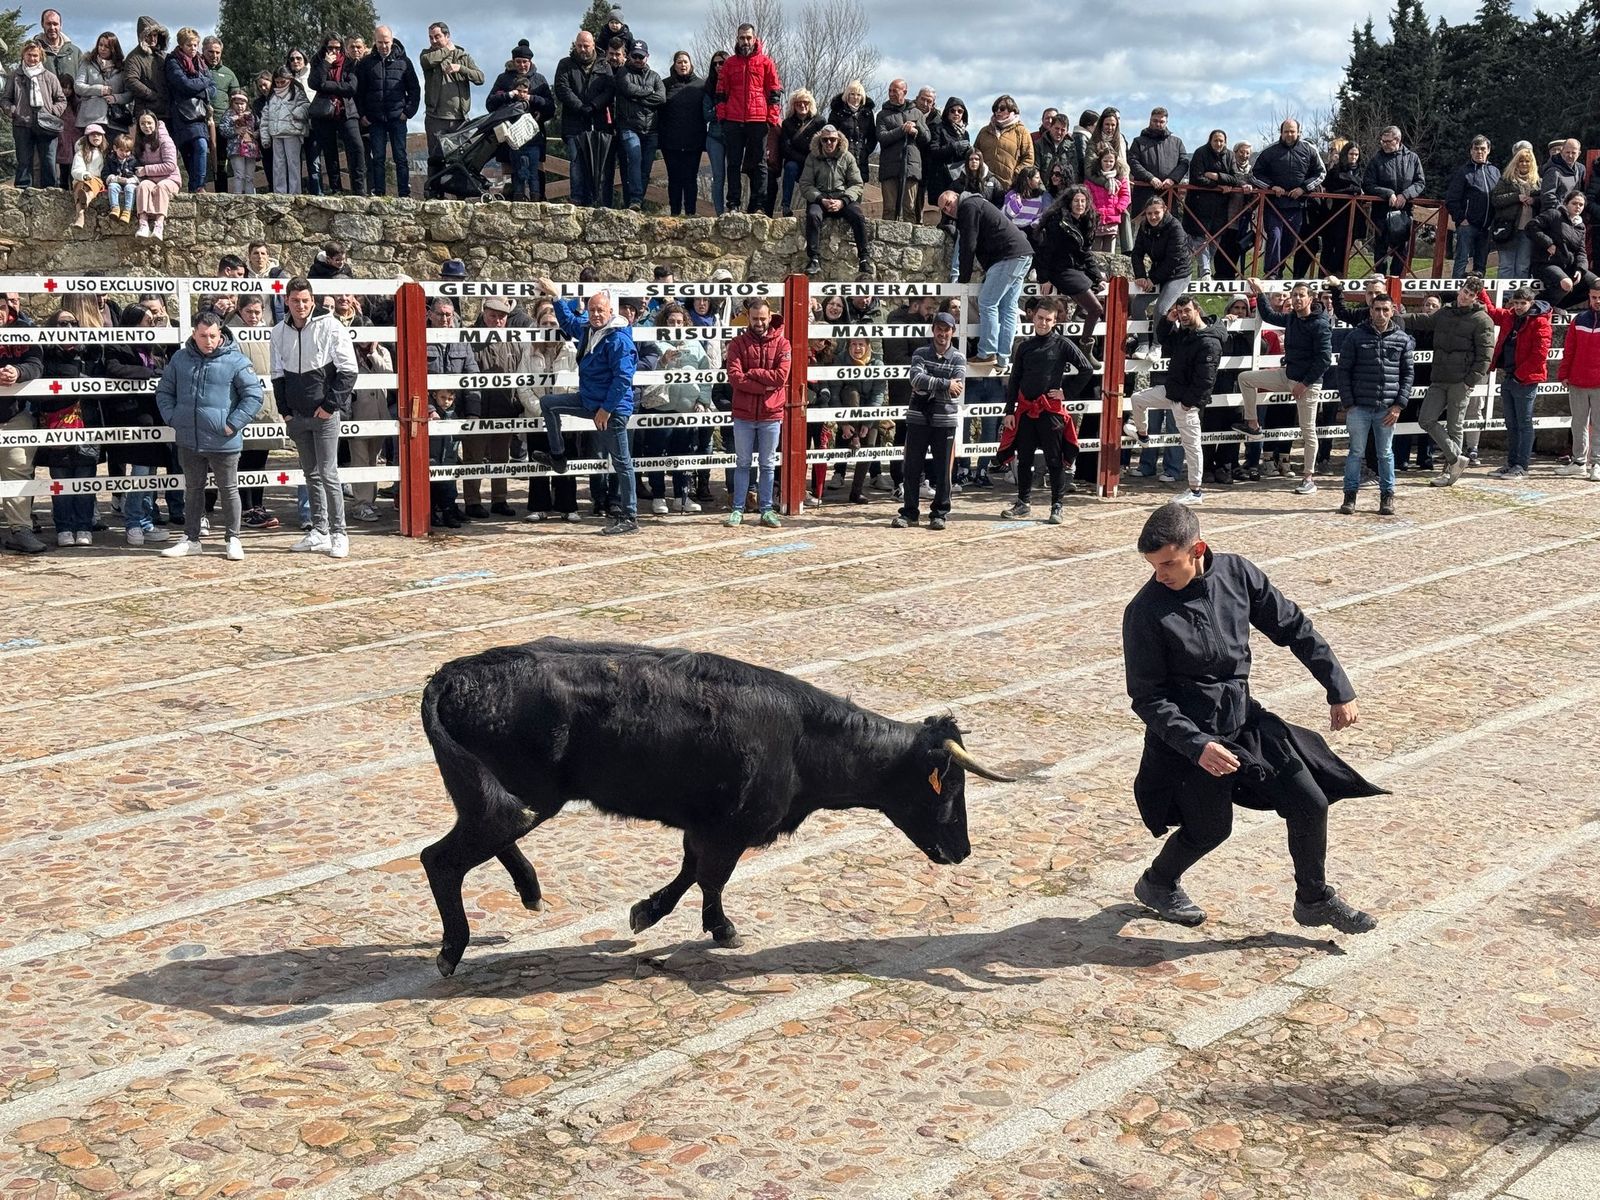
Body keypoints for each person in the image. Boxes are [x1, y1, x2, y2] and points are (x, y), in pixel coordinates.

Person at [1123, 503, 1380, 934]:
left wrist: (1338, 686)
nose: (1159, 575)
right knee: (1210, 830)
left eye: (1168, 563)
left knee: (1310, 801)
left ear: (1198, 549)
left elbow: (1294, 627)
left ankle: (1313, 900)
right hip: (1192, 739)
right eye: (1152, 566)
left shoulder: (1237, 573)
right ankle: (1158, 882)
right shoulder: (1145, 612)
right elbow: (1148, 697)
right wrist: (1196, 745)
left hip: (1245, 721)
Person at [529, 281, 640, 535]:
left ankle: (630, 516)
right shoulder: (591, 330)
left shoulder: (618, 339)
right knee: (549, 404)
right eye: (592, 310)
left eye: (600, 310)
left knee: (622, 462)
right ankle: (558, 456)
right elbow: (568, 323)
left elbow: (623, 379)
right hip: (589, 401)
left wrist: (606, 409)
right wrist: (557, 297)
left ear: (611, 311)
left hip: (612, 410)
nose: (596, 314)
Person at [154, 312, 264, 561]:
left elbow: (253, 396)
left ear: (220, 334)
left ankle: (233, 538)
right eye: (203, 335)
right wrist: (174, 419)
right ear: (194, 334)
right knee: (193, 490)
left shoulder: (236, 360)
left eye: (213, 335)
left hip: (223, 440)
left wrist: (232, 424)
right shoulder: (180, 359)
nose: (208, 341)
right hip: (189, 439)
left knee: (229, 489)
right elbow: (164, 392)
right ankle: (191, 539)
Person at [272, 278, 358, 557]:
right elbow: (277, 375)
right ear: (287, 300)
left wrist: (330, 406)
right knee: (310, 474)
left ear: (313, 300)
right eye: (295, 300)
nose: (300, 305)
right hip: (297, 416)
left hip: (323, 415)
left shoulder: (331, 325)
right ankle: (319, 531)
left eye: (305, 300)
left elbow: (348, 371)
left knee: (329, 474)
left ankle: (339, 533)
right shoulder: (277, 332)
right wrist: (285, 412)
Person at [1000, 297, 1094, 523]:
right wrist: (1009, 411)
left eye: (1048, 320)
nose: (1043, 323)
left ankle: (1057, 505)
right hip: (1025, 410)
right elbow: (1015, 379)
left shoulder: (1063, 344)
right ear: (1033, 317)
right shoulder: (1024, 346)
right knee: (1024, 459)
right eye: (1040, 318)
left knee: (1054, 460)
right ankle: (1023, 503)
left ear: (1055, 321)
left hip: (1050, 411)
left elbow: (1086, 368)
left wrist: (1067, 393)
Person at [1234, 281, 1333, 495]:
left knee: (1308, 431)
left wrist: (1304, 384)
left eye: (1301, 295)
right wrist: (1260, 293)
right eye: (1294, 295)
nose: (1297, 299)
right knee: (1245, 378)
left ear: (1310, 298)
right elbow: (1269, 316)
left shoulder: (1320, 323)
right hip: (1287, 374)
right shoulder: (1291, 318)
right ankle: (1253, 423)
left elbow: (1324, 359)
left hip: (1308, 383)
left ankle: (1308, 478)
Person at [1126, 293, 1219, 507]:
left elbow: (1206, 379)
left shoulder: (1209, 341)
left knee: (1192, 445)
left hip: (1186, 401)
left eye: (1187, 310)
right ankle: (1143, 434)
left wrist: (1189, 403)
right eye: (1180, 311)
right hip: (1172, 391)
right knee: (1137, 399)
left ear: (1197, 310)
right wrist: (1169, 319)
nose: (1183, 315)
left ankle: (1195, 491)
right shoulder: (1185, 333)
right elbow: (1164, 338)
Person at [1403, 276, 1496, 485]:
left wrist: (1469, 381)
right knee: (1426, 418)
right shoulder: (1445, 312)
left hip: (1460, 381)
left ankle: (1449, 471)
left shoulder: (1482, 320)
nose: (1466, 297)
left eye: (1471, 295)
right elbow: (1424, 320)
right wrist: (1398, 316)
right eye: (1465, 292)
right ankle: (1456, 458)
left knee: (1455, 426)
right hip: (1438, 378)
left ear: (1476, 297)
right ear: (1459, 290)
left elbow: (1485, 356)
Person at [1333, 292, 1412, 516]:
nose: (1381, 314)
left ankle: (1387, 498)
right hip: (1359, 406)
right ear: (1370, 310)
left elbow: (1407, 375)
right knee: (1355, 452)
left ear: (1392, 311)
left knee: (1385, 453)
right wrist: (1348, 403)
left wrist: (1398, 406)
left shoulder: (1402, 339)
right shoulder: (1356, 336)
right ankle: (1349, 497)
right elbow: (1343, 371)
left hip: (1387, 408)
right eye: (1377, 309)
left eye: (1385, 310)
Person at [942, 188, 1033, 368]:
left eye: (948, 203)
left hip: (1007, 256)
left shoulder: (967, 206)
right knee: (1009, 308)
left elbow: (968, 244)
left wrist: (963, 278)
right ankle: (1003, 358)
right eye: (943, 209)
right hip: (1023, 253)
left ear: (956, 197)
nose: (947, 209)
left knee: (987, 302)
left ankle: (987, 352)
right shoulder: (976, 203)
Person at [892, 310, 966, 530]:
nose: (942, 333)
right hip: (918, 418)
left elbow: (957, 390)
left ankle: (940, 513)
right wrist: (944, 384)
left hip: (944, 420)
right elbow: (915, 378)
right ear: (933, 329)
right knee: (912, 467)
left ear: (952, 332)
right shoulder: (920, 353)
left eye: (947, 329)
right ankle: (909, 512)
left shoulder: (959, 357)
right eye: (939, 329)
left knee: (944, 470)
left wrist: (928, 385)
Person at [723, 297, 791, 527]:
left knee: (767, 464)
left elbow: (781, 377)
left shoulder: (783, 344)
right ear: (748, 318)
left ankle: (766, 509)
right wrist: (765, 385)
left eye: (763, 318)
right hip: (744, 414)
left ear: (769, 317)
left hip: (771, 414)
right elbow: (735, 378)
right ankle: (738, 510)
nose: (759, 323)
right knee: (742, 463)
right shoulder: (737, 343)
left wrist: (752, 373)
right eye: (755, 319)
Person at [1480, 287, 1552, 481]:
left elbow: (1540, 354)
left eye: (1523, 303)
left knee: (1524, 423)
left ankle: (1522, 465)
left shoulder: (1540, 322)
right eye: (1516, 303)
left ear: (1531, 303)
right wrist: (1480, 290)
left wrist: (1520, 375)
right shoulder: (1510, 316)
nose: (1519, 307)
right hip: (1510, 376)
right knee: (1511, 423)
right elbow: (1491, 311)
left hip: (1526, 379)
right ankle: (1511, 463)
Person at [716, 23, 781, 214]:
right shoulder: (729, 64)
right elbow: (720, 92)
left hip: (758, 119)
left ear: (755, 38)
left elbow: (775, 91)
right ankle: (734, 203)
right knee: (734, 163)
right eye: (742, 37)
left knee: (760, 162)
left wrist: (771, 117)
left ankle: (759, 204)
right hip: (733, 119)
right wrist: (722, 115)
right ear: (737, 39)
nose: (745, 41)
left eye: (748, 37)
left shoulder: (766, 62)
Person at [0, 294, 47, 554]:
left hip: (15, 414)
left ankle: (21, 530)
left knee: (18, 468)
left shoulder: (23, 330)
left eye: (2, 307)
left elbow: (36, 364)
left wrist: (17, 372)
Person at [1250, 119, 1325, 278]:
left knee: (1289, 243)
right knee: (1275, 237)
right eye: (1286, 131)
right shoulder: (1270, 151)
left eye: (1292, 131)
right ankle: (1271, 274)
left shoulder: (1309, 149)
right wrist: (1271, 187)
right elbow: (1255, 174)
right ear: (1281, 132)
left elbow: (1320, 173)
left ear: (1299, 132)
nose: (1289, 134)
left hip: (1297, 206)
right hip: (1274, 204)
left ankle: (1280, 272)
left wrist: (1303, 188)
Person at [356, 26, 420, 198]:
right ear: (374, 42)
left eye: (386, 42)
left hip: (397, 117)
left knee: (401, 157)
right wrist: (363, 114)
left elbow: (414, 89)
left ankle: (404, 194)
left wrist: (408, 112)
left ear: (392, 41)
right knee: (377, 157)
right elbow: (359, 92)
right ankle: (379, 193)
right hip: (375, 119)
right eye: (380, 42)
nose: (383, 46)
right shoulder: (366, 64)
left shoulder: (404, 62)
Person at [1128, 194, 1193, 363]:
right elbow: (1136, 253)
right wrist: (1141, 276)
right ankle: (1142, 343)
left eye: (1156, 212)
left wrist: (1153, 279)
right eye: (1149, 214)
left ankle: (1157, 345)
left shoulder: (1175, 227)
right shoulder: (1144, 227)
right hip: (1157, 272)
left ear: (1165, 210)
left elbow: (1174, 259)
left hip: (1179, 273)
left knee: (1161, 308)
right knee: (1137, 304)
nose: (1153, 217)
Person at [419, 22, 483, 192]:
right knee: (435, 158)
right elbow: (427, 62)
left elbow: (480, 78)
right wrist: (448, 49)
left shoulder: (463, 56)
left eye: (437, 36)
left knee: (459, 159)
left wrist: (460, 68)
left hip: (459, 119)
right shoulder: (427, 54)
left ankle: (460, 194)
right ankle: (434, 193)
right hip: (435, 117)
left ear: (447, 36)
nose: (433, 40)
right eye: (431, 37)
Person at [799, 124, 869, 277]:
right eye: (825, 140)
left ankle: (864, 258)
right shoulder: (812, 157)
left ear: (838, 141)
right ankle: (814, 259)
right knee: (813, 215)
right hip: (820, 199)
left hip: (842, 197)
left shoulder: (847, 157)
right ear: (820, 142)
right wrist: (820, 199)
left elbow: (857, 184)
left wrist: (843, 200)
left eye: (832, 140)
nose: (829, 143)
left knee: (858, 216)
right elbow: (805, 184)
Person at [554, 30, 614, 208]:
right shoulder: (565, 64)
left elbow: (610, 89)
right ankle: (577, 200)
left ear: (593, 45)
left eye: (586, 46)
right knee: (576, 162)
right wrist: (580, 106)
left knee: (597, 164)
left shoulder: (604, 65)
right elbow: (562, 88)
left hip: (598, 123)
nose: (582, 49)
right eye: (579, 45)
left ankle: (596, 201)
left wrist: (595, 105)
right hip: (574, 122)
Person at [5, 40, 69, 187]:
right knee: (24, 160)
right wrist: (13, 111)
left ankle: (51, 191)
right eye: (29, 55)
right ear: (23, 55)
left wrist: (53, 111)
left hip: (47, 124)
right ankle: (22, 191)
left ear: (40, 56)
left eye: (35, 55)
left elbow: (61, 100)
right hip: (22, 124)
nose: (32, 59)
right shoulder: (15, 76)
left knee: (48, 160)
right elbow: (5, 99)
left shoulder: (49, 77)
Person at [309, 33, 364, 195]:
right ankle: (336, 189)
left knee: (356, 148)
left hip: (346, 111)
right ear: (325, 48)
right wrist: (326, 64)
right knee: (330, 151)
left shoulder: (349, 62)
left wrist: (325, 85)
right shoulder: (318, 61)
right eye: (330, 48)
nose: (334, 51)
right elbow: (314, 83)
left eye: (337, 48)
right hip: (325, 114)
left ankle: (359, 189)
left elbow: (351, 88)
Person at [613, 40, 664, 211]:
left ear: (647, 57)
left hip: (651, 129)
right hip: (629, 127)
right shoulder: (622, 73)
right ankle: (635, 199)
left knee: (646, 168)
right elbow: (628, 89)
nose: (638, 59)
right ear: (629, 55)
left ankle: (636, 203)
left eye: (641, 56)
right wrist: (649, 93)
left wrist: (637, 98)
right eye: (634, 56)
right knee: (634, 159)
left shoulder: (655, 76)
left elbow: (662, 98)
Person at [1557, 282, 1600, 481]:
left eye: (1599, 297)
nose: (1597, 301)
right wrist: (1564, 374)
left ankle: (1597, 463)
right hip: (1577, 380)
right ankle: (1579, 462)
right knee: (1578, 423)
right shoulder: (1580, 319)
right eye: (1593, 297)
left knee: (1598, 425)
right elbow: (1570, 349)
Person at [1529, 191, 1599, 309]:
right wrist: (1548, 243)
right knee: (1567, 284)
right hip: (1547, 263)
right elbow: (1531, 226)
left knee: (1597, 283)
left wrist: (1580, 269)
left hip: (1569, 266)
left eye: (1581, 205)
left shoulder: (1580, 226)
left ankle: (1559, 305)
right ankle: (1535, 306)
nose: (1578, 207)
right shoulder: (1553, 214)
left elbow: (1581, 252)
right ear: (1566, 203)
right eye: (1574, 203)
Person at [1444, 135, 1500, 278]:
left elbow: (1498, 197)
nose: (1479, 152)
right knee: (1462, 260)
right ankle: (1455, 294)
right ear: (1471, 151)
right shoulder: (1463, 172)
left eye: (1482, 149)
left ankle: (1477, 296)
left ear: (1488, 150)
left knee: (1481, 264)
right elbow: (1451, 199)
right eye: (1476, 149)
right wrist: (1461, 218)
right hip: (1467, 225)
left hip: (1487, 226)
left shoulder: (1495, 171)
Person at [875, 78, 930, 223]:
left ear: (904, 92)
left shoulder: (917, 113)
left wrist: (915, 131)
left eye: (895, 90)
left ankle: (909, 245)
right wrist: (902, 130)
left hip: (911, 168)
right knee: (889, 209)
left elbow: (927, 138)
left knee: (910, 209)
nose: (891, 94)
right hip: (890, 168)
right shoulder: (882, 115)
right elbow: (882, 138)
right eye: (890, 90)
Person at [659, 51, 705, 215]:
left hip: (694, 140)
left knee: (690, 178)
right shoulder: (664, 85)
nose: (683, 65)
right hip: (670, 141)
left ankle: (691, 212)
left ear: (691, 64)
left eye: (685, 62)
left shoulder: (702, 85)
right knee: (674, 178)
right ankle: (675, 212)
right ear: (674, 65)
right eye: (679, 62)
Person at [1127, 106, 1189, 218]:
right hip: (1144, 195)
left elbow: (1184, 163)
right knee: (1142, 230)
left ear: (1166, 122)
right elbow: (1133, 162)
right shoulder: (1138, 142)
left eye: (1161, 122)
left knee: (1168, 231)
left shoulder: (1177, 142)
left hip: (1169, 196)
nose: (1158, 124)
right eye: (1155, 121)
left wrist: (1172, 179)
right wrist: (1150, 178)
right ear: (1150, 120)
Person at [1491, 143, 1541, 280]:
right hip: (1508, 229)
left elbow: (1542, 201)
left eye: (1527, 161)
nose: (1524, 164)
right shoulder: (1506, 180)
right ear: (1515, 162)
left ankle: (1520, 298)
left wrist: (1534, 201)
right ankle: (1506, 298)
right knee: (1506, 266)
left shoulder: (1537, 182)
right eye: (1521, 161)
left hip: (1528, 230)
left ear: (1532, 163)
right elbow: (1495, 200)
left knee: (1523, 266)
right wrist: (1516, 197)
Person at [260, 66, 310, 194]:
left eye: (283, 81)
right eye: (277, 82)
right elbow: (265, 118)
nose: (280, 84)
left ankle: (295, 192)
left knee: (293, 163)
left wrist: (297, 113)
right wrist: (265, 137)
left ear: (290, 79)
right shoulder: (272, 96)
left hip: (292, 132)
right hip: (276, 133)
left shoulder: (297, 92)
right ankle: (280, 192)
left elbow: (306, 105)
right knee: (278, 164)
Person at [131, 108, 179, 238]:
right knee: (142, 186)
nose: (146, 126)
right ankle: (143, 224)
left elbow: (170, 165)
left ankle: (159, 225)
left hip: (170, 178)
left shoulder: (165, 141)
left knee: (161, 187)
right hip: (151, 179)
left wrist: (146, 170)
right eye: (143, 124)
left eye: (149, 123)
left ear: (155, 123)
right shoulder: (140, 142)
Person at [776, 89, 824, 216]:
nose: (802, 106)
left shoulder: (819, 122)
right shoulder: (787, 123)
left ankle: (813, 207)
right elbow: (785, 148)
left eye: (805, 103)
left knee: (817, 173)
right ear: (793, 105)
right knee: (790, 167)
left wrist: (811, 160)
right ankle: (786, 205)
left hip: (814, 162)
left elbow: (822, 145)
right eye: (798, 103)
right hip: (795, 161)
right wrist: (803, 159)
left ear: (810, 104)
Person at [1085, 145, 1131, 253]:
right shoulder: (1093, 178)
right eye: (1105, 160)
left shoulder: (1120, 177)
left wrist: (1119, 208)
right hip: (1097, 218)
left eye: (1111, 161)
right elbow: (1087, 195)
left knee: (1110, 251)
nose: (1108, 164)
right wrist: (1093, 210)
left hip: (1113, 217)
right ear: (1100, 161)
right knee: (1095, 250)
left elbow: (1125, 194)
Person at [123, 15, 168, 122]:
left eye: (155, 35)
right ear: (142, 36)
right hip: (146, 112)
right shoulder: (134, 57)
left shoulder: (163, 55)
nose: (153, 39)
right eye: (149, 35)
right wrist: (152, 95)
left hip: (167, 111)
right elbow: (131, 80)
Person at [218, 89, 259, 193]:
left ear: (247, 103)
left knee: (249, 176)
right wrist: (235, 131)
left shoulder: (252, 115)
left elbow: (259, 127)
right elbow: (222, 130)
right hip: (236, 148)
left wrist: (257, 134)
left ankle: (250, 198)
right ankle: (238, 197)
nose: (240, 106)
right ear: (232, 103)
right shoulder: (228, 115)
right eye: (237, 103)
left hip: (251, 148)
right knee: (239, 174)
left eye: (242, 103)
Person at [68, 121, 107, 227]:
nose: (96, 137)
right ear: (87, 137)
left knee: (93, 182)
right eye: (93, 134)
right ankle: (80, 214)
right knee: (80, 186)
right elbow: (76, 169)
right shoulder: (80, 153)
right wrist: (84, 175)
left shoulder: (104, 154)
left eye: (99, 135)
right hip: (82, 178)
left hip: (97, 180)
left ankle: (87, 199)